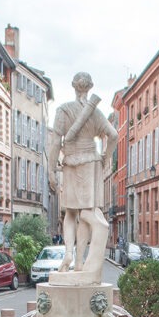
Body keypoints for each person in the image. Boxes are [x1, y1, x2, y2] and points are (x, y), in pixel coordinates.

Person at [47, 72, 118, 283]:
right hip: (91, 163)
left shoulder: (63, 110)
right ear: (90, 87)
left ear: (73, 86)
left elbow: (54, 143)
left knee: (70, 212)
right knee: (87, 212)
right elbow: (113, 135)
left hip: (70, 162)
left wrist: (51, 169)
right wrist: (106, 157)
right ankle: (80, 261)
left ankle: (68, 252)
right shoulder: (95, 113)